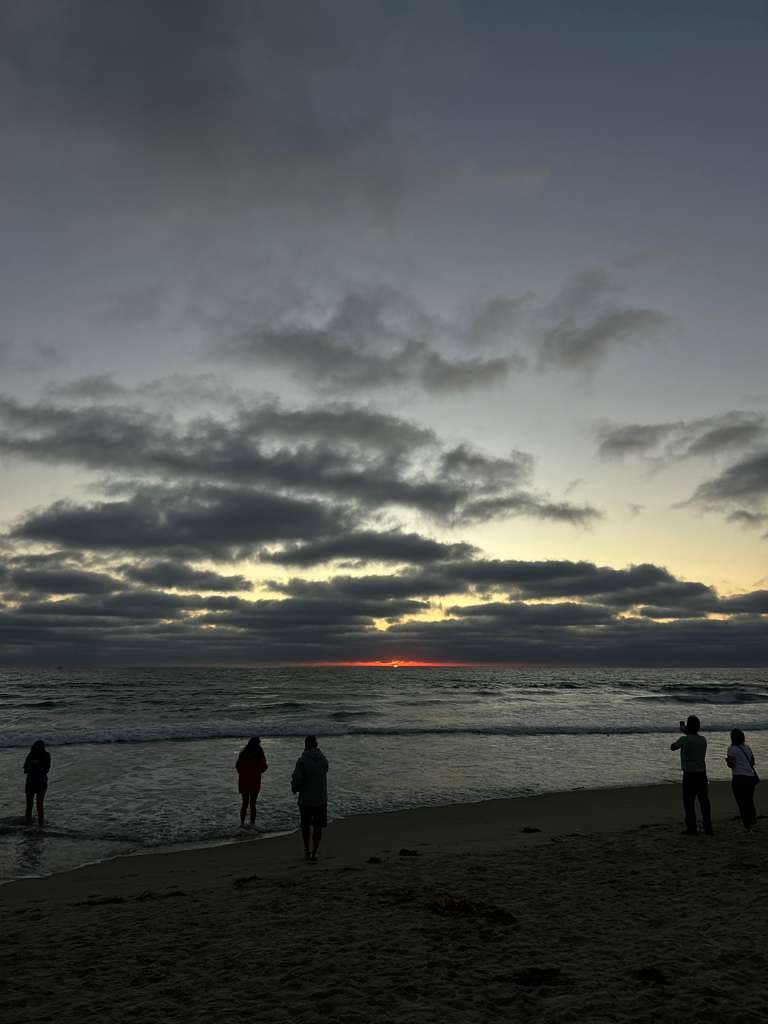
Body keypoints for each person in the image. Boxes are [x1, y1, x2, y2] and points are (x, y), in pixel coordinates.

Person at [671, 714, 713, 835]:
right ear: (698, 727)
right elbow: (692, 737)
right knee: (704, 802)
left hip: (689, 775)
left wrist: (684, 733)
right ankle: (708, 827)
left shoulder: (684, 740)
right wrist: (687, 732)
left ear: (688, 728)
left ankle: (692, 828)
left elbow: (673, 747)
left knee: (689, 803)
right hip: (702, 774)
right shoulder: (703, 740)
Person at [291, 735, 329, 861]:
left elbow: (297, 778)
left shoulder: (302, 760)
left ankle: (307, 849)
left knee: (306, 826)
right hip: (321, 798)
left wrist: (295, 788)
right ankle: (315, 851)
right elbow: (325, 771)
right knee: (318, 827)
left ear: (306, 745)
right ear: (316, 744)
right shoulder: (323, 759)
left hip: (306, 799)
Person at [726, 728, 758, 830]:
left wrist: (727, 762)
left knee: (741, 802)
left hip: (739, 777)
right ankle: (752, 821)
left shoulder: (731, 749)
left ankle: (747, 824)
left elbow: (732, 765)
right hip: (750, 777)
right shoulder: (747, 747)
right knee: (749, 800)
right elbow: (752, 762)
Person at [235, 737, 268, 827]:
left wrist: (243, 773)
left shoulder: (244, 753)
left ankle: (242, 823)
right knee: (253, 804)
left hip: (244, 780)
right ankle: (252, 824)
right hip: (255, 780)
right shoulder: (259, 753)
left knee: (244, 803)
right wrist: (258, 770)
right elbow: (264, 767)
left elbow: (237, 766)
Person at [23, 739, 50, 827]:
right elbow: (25, 769)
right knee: (31, 805)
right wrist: (31, 764)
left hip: (39, 782)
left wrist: (38, 765)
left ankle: (39, 824)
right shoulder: (30, 755)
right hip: (33, 782)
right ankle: (30, 823)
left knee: (38, 805)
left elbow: (46, 769)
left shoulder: (46, 755)